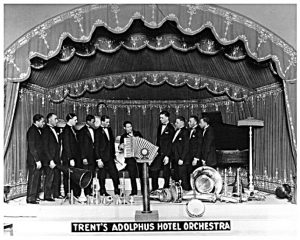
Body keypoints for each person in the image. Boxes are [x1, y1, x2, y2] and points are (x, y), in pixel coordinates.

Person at [95, 115, 120, 196]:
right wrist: (98, 159)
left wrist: (114, 154)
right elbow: (96, 146)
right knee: (102, 176)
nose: (108, 124)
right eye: (106, 122)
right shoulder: (97, 131)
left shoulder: (109, 129)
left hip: (110, 157)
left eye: (109, 122)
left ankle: (117, 191)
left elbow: (111, 143)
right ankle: (103, 191)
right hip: (102, 158)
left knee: (115, 175)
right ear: (102, 122)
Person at [150, 110, 175, 190]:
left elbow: (171, 143)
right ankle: (154, 190)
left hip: (166, 154)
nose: (160, 119)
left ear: (167, 118)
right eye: (160, 118)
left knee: (166, 173)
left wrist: (167, 156)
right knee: (153, 170)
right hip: (159, 153)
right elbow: (158, 141)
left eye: (162, 118)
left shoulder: (171, 128)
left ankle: (166, 190)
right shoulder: (160, 126)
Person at [119, 121, 143, 196]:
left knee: (142, 175)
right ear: (124, 128)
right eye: (128, 127)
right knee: (132, 175)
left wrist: (136, 139)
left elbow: (142, 142)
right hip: (130, 158)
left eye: (130, 126)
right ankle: (134, 191)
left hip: (139, 157)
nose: (129, 128)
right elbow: (120, 148)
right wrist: (121, 147)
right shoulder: (123, 136)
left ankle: (144, 191)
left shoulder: (137, 133)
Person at [26, 114, 45, 204]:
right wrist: (37, 160)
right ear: (37, 121)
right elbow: (32, 147)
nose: (43, 123)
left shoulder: (38, 130)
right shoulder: (32, 131)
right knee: (33, 178)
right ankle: (30, 199)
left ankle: (33, 197)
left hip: (37, 160)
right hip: (34, 160)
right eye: (42, 121)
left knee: (36, 178)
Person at [42, 113, 61, 201]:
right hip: (50, 159)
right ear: (50, 120)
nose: (57, 121)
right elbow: (45, 147)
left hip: (56, 158)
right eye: (55, 119)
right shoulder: (45, 130)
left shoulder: (55, 129)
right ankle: (47, 196)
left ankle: (56, 194)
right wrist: (50, 160)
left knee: (56, 176)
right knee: (50, 177)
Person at [61, 113, 81, 197]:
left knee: (73, 175)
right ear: (70, 119)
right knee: (68, 176)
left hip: (74, 157)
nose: (76, 122)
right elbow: (66, 146)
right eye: (75, 120)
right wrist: (70, 158)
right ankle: (68, 193)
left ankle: (74, 193)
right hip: (69, 157)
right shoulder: (66, 130)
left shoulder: (72, 129)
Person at [78, 115, 96, 196]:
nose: (94, 123)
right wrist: (83, 157)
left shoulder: (95, 130)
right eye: (93, 122)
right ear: (88, 122)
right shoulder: (82, 131)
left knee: (92, 173)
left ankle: (90, 191)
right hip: (86, 157)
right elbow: (81, 146)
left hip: (93, 156)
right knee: (86, 174)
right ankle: (84, 192)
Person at [171, 116, 190, 191]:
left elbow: (186, 147)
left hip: (182, 160)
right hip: (175, 159)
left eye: (177, 122)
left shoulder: (185, 132)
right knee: (176, 177)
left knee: (183, 178)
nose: (175, 124)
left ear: (182, 123)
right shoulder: (176, 131)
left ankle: (185, 194)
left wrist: (182, 158)